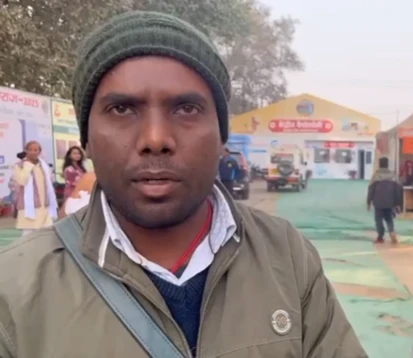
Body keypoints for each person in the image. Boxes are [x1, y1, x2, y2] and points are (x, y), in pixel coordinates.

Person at [0, 12, 365, 357]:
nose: (156, 138)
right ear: (88, 140)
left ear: (222, 136)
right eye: (123, 109)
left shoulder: (286, 255)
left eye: (186, 108)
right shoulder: (15, 287)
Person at [11, 141, 58, 236]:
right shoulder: (19, 165)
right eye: (30, 149)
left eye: (36, 150)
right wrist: (28, 166)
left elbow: (49, 183)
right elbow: (21, 181)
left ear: (39, 151)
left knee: (46, 235)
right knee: (28, 237)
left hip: (44, 206)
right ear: (26, 151)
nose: (33, 152)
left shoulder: (43, 165)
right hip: (29, 207)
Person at [367, 157, 402, 244]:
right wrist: (398, 203)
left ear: (379, 165)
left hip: (378, 202)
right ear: (387, 165)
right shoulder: (393, 175)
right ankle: (391, 232)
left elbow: (371, 189)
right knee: (389, 218)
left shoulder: (376, 175)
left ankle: (380, 237)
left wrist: (369, 202)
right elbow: (398, 190)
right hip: (390, 201)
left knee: (378, 219)